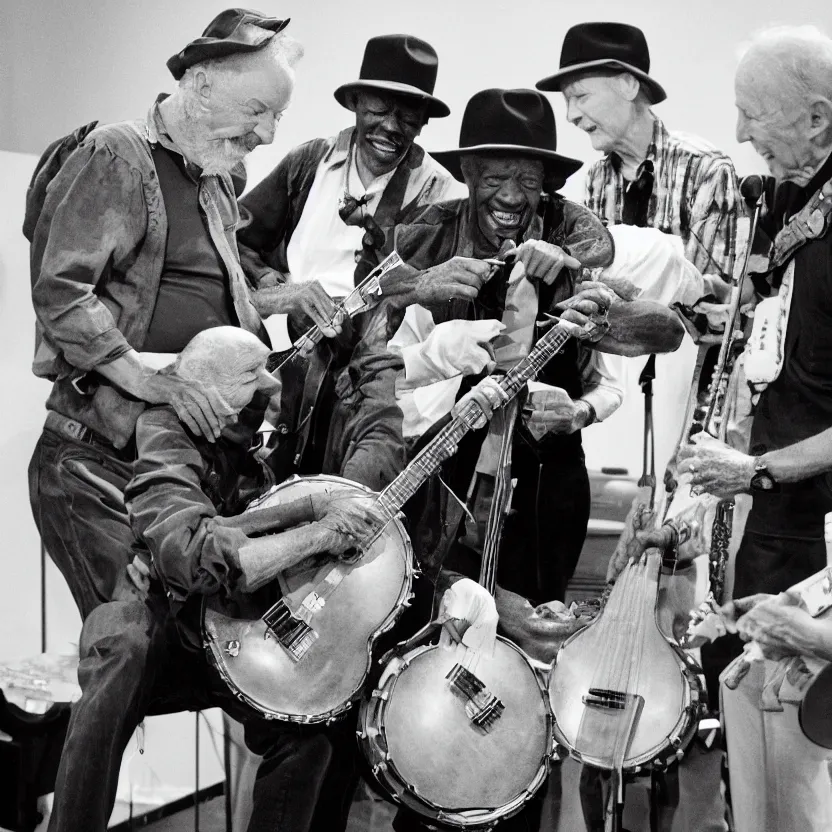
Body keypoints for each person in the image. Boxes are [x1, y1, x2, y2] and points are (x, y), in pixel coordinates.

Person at [45, 324, 502, 832]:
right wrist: (313, 530)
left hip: (232, 631)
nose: (269, 384)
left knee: (305, 735)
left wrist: (299, 517)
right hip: (169, 629)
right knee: (120, 640)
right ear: (209, 392)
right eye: (250, 377)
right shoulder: (166, 432)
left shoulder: (256, 433)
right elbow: (192, 554)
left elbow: (360, 471)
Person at [384, 88, 685, 832]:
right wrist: (453, 363)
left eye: (526, 178)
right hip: (450, 469)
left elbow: (613, 380)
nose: (511, 196)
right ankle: (429, 796)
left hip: (552, 474)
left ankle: (516, 805)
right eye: (494, 177)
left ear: (545, 184)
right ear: (470, 177)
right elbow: (391, 371)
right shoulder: (431, 251)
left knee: (534, 644)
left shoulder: (577, 257)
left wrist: (576, 410)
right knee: (440, 630)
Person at [26, 8, 302, 618]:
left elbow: (220, 291)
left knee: (201, 647)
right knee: (131, 641)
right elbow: (61, 294)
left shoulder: (218, 177)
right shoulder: (117, 157)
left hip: (182, 455)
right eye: (257, 110)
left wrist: (261, 366)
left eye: (278, 116)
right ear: (202, 85)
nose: (268, 135)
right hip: (100, 453)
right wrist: (152, 382)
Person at [538, 25, 744, 831]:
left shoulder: (708, 172)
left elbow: (726, 312)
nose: (572, 110)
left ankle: (687, 802)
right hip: (605, 421)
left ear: (628, 83)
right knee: (591, 622)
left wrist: (648, 303)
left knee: (674, 630)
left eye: (579, 91)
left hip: (684, 419)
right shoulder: (584, 188)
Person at [677, 25, 832, 832]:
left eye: (752, 115)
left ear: (816, 117)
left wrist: (759, 470)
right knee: (754, 778)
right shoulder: (785, 204)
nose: (737, 135)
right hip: (752, 528)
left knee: (801, 787)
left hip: (814, 549)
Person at [237, 33, 481, 492]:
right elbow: (235, 241)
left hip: (384, 402)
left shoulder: (442, 195)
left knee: (358, 530)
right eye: (380, 109)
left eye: (408, 115)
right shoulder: (309, 164)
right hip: (293, 387)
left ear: (424, 121)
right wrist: (278, 289)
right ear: (355, 103)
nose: (392, 126)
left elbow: (455, 309)